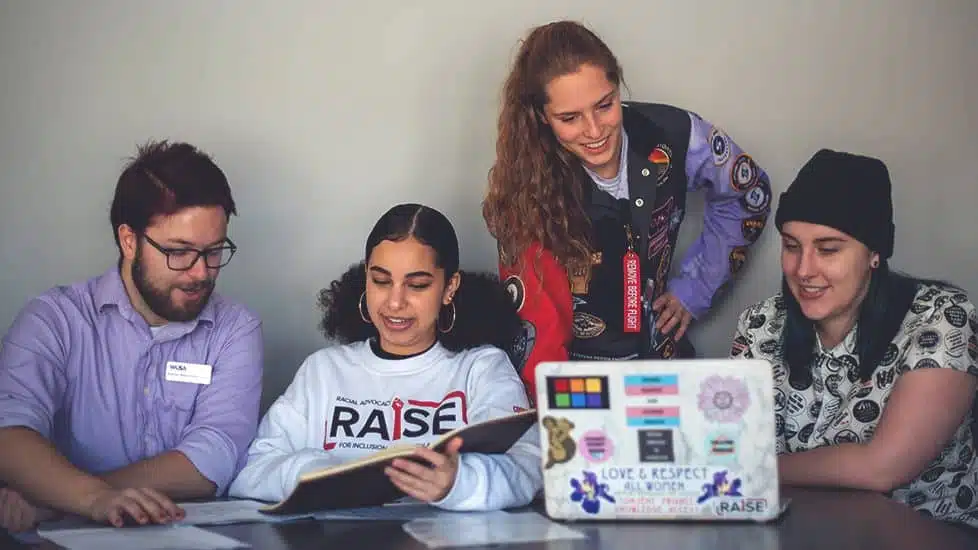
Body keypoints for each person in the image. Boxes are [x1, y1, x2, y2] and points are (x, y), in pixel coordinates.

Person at [482, 20, 773, 398]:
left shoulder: (673, 133)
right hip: (580, 386)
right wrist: (562, 414)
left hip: (666, 366)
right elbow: (537, 334)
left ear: (618, 86)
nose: (594, 129)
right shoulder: (525, 188)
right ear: (540, 116)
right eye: (569, 118)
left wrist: (695, 289)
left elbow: (749, 193)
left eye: (604, 105)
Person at [0, 141, 263, 532]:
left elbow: (215, 455)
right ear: (128, 240)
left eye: (214, 251)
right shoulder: (54, 320)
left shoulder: (235, 328)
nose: (200, 273)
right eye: (179, 251)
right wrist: (91, 500)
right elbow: (10, 432)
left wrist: (66, 497)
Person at [228, 204, 540, 511]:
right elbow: (252, 472)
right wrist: (317, 473)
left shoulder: (482, 368)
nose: (394, 302)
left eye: (417, 285)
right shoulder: (323, 371)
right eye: (381, 281)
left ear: (449, 288)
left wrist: (459, 483)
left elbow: (528, 467)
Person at [730, 149, 978, 527]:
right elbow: (733, 447)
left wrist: (758, 469)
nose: (804, 269)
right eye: (792, 246)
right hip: (804, 534)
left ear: (874, 253)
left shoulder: (941, 319)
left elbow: (883, 468)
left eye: (828, 249)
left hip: (929, 537)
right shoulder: (761, 323)